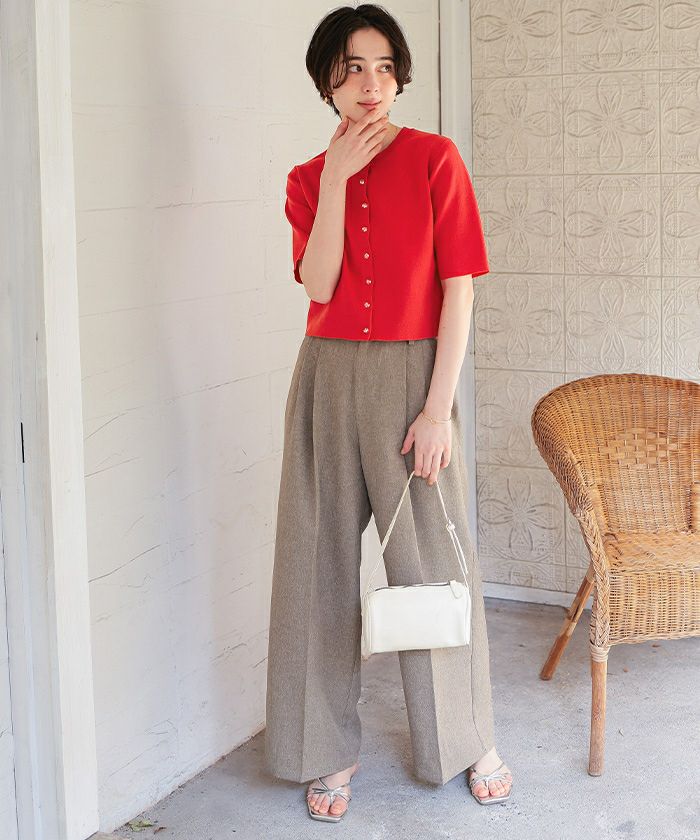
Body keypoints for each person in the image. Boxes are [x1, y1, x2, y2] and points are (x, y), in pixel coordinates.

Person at [264, 3, 513, 823]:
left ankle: (466, 737)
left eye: (382, 66)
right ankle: (324, 748)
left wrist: (438, 410)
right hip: (327, 375)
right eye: (351, 68)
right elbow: (319, 284)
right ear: (326, 83)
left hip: (413, 375)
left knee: (434, 563)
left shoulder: (437, 159)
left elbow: (459, 290)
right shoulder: (307, 179)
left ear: (400, 76)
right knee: (315, 564)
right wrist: (337, 178)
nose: (370, 83)